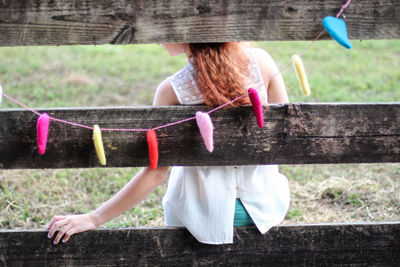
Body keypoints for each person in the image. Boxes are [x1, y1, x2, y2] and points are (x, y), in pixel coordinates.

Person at [47, 42, 290, 245]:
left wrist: (94, 218)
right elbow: (285, 137)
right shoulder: (262, 63)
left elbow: (154, 174)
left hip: (199, 218)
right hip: (264, 209)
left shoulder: (171, 91)